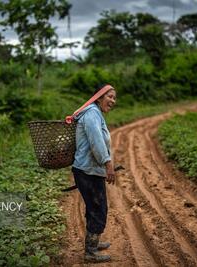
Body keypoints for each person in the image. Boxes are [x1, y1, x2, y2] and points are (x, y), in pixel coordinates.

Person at [72, 84, 116, 263]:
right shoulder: (91, 114)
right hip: (87, 171)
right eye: (110, 96)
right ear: (99, 97)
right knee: (98, 209)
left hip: (90, 170)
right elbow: (96, 141)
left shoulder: (95, 113)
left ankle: (93, 243)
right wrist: (108, 163)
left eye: (114, 97)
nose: (113, 101)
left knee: (94, 207)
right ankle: (90, 252)